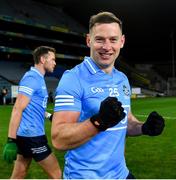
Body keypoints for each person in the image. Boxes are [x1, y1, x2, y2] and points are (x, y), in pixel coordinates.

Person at [51, 12, 165, 179]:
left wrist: (143, 127)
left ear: (122, 41)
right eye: (100, 40)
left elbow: (126, 121)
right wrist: (98, 122)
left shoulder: (122, 78)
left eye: (113, 39)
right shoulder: (73, 78)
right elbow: (59, 139)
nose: (106, 47)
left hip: (121, 174)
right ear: (89, 40)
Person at [3, 46, 61, 179]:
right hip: (33, 137)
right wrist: (11, 140)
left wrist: (48, 115)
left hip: (27, 135)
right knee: (57, 174)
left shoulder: (38, 78)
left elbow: (34, 106)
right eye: (52, 59)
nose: (55, 63)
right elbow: (18, 108)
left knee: (19, 174)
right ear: (42, 59)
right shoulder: (32, 78)